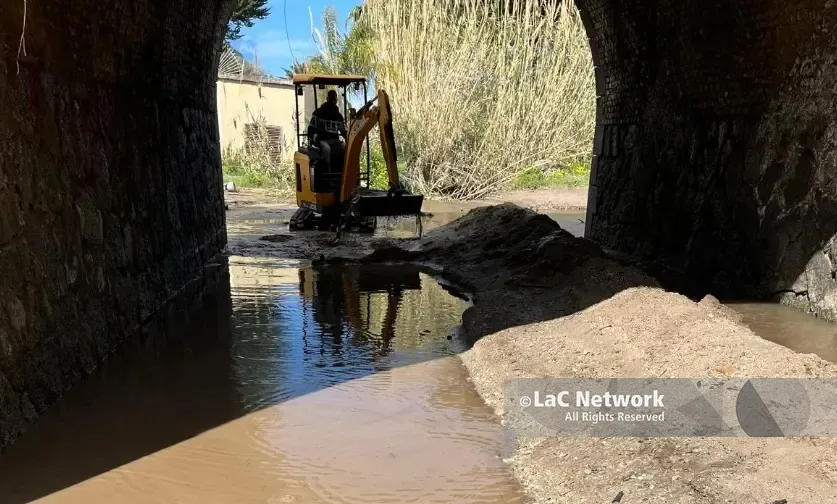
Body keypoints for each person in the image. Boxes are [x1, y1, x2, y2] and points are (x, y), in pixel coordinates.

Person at [310, 90, 346, 168]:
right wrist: (313, 139)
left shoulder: (339, 117)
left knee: (345, 149)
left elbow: (343, 132)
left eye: (334, 99)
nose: (332, 101)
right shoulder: (318, 113)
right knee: (326, 149)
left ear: (336, 100)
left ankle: (343, 173)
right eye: (331, 99)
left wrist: (349, 138)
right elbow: (311, 129)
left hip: (335, 141)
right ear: (327, 99)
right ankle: (328, 173)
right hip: (322, 141)